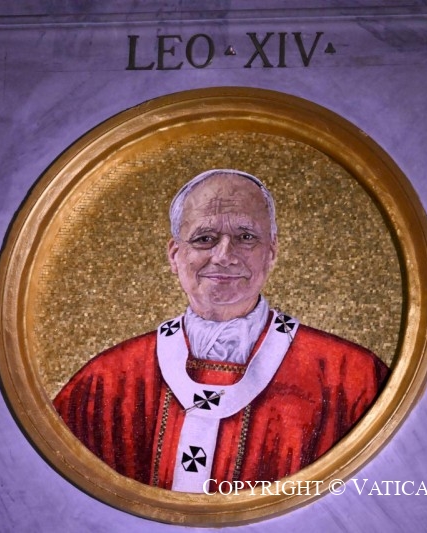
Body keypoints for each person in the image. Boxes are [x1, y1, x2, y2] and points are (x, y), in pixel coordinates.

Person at [54, 169, 388, 493]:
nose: (224, 256)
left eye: (246, 237)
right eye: (204, 239)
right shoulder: (106, 380)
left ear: (271, 253)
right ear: (175, 255)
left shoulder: (350, 376)